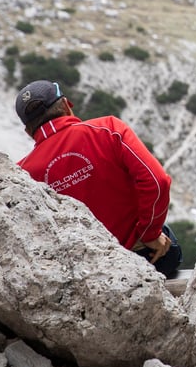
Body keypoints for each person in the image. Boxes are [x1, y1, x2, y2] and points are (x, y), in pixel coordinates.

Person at [14, 80, 182, 277]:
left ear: (28, 131)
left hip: (79, 273)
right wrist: (149, 234)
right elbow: (157, 181)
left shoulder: (20, 173)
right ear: (67, 105)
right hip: (142, 256)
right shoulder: (108, 129)